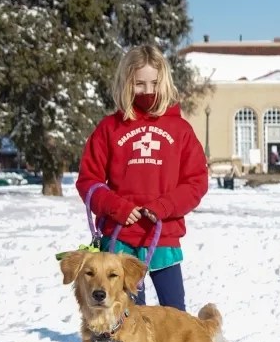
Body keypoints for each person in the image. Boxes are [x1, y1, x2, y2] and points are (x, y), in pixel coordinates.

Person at [76, 44, 208, 312]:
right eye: (139, 84)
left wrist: (164, 206)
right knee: (127, 316)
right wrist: (117, 207)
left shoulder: (180, 130)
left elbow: (196, 181)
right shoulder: (109, 128)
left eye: (154, 83)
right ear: (126, 83)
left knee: (174, 314)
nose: (148, 91)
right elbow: (89, 180)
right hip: (120, 240)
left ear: (165, 83)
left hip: (164, 237)